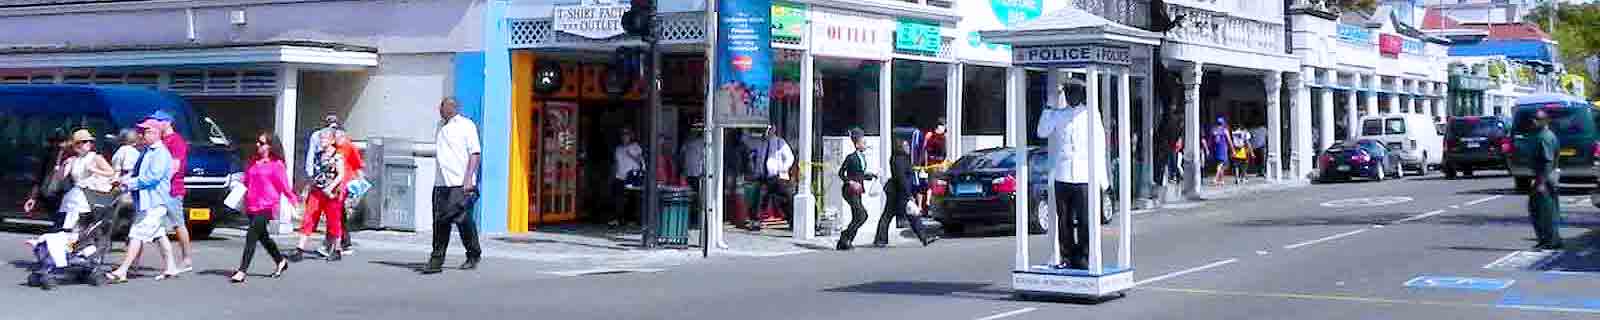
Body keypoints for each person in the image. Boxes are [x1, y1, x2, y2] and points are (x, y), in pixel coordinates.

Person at [1036, 80, 1110, 270]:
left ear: (1082, 94)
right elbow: (1042, 131)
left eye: (1075, 92)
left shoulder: (1091, 115)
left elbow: (1100, 146)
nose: (1072, 96)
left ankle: (1084, 256)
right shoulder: (1059, 115)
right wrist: (1049, 107)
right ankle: (1067, 256)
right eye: (1068, 92)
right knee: (1064, 221)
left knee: (1085, 220)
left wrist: (1102, 177)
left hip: (1084, 176)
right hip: (1063, 175)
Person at [106, 122, 181, 283]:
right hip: (146, 201)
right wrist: (122, 180)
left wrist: (128, 183)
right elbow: (137, 172)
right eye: (143, 131)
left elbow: (152, 177)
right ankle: (171, 267)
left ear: (156, 134)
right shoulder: (147, 151)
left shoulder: (160, 153)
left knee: (136, 234)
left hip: (154, 201)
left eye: (147, 131)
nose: (143, 134)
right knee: (159, 235)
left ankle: (122, 270)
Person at [422, 97, 483, 274]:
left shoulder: (466, 125)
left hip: (460, 182)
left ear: (453, 108)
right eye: (440, 107)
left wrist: (468, 179)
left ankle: (473, 253)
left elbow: (475, 153)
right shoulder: (439, 126)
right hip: (441, 183)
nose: (440, 110)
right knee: (440, 221)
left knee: (462, 220)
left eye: (444, 107)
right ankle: (436, 260)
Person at [231, 132, 298, 283]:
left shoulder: (276, 165)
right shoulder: (253, 161)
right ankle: (281, 261)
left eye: (261, 143)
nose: (258, 145)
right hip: (252, 204)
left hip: (267, 205)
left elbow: (285, 187)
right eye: (258, 142)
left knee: (251, 236)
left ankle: (242, 270)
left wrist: (294, 202)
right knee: (264, 237)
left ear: (270, 146)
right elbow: (246, 181)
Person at [144, 111, 194, 273]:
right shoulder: (161, 141)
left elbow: (174, 167)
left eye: (158, 121)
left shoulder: (176, 141)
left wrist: (159, 182)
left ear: (167, 122)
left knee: (178, 224)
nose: (156, 123)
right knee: (152, 224)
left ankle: (186, 259)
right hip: (160, 190)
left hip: (172, 190)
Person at [291, 131, 349, 262]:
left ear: (332, 140)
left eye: (325, 138)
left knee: (333, 221)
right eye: (321, 138)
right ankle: (299, 248)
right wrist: (307, 186)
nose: (322, 141)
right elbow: (314, 173)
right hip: (317, 191)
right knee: (309, 217)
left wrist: (331, 187)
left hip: (331, 193)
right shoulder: (318, 155)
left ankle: (337, 249)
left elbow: (341, 174)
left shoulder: (337, 156)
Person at [873, 140, 936, 247]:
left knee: (902, 215)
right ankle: (923, 237)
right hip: (899, 192)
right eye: (906, 145)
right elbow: (902, 178)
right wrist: (909, 195)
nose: (908, 147)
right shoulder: (899, 159)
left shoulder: (901, 158)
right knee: (898, 215)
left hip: (899, 192)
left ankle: (881, 239)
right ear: (900, 147)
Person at [57, 129, 117, 232]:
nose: (88, 143)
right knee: (74, 223)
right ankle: (72, 242)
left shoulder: (95, 157)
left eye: (89, 141)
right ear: (76, 145)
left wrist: (94, 170)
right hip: (78, 194)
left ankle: (78, 241)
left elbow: (111, 172)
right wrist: (61, 165)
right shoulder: (72, 160)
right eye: (84, 141)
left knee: (87, 225)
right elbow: (61, 177)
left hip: (93, 194)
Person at [1526, 109, 1563, 250]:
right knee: (1546, 209)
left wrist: (1540, 183)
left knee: (1543, 211)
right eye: (1534, 119)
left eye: (1537, 119)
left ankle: (1550, 240)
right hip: (1546, 177)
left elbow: (1547, 161)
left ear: (1545, 121)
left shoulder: (1544, 137)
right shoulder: (1545, 135)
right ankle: (1550, 239)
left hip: (1544, 178)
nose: (1534, 121)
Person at [747, 127, 794, 231]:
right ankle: (756, 221)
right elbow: (758, 158)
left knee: (785, 199)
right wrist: (756, 170)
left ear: (774, 130)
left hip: (777, 177)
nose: (766, 132)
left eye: (768, 130)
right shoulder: (760, 143)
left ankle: (792, 221)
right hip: (763, 176)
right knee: (759, 199)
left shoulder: (780, 142)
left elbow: (790, 158)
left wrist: (782, 169)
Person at [835, 128, 875, 251]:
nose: (865, 145)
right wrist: (850, 182)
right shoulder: (851, 157)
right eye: (863, 142)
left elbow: (860, 174)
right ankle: (845, 236)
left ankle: (847, 241)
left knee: (857, 216)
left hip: (859, 190)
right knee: (862, 215)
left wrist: (871, 175)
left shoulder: (862, 157)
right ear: (857, 144)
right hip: (849, 190)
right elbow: (841, 173)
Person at [23, 131, 70, 229]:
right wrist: (33, 197)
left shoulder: (71, 155)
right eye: (57, 142)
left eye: (62, 142)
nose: (60, 145)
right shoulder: (49, 155)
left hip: (64, 193)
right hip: (51, 193)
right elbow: (39, 176)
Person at [611, 128, 644, 227]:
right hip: (620, 176)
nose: (625, 137)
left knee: (632, 199)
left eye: (627, 135)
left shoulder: (635, 146)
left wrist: (631, 154)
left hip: (632, 176)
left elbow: (640, 161)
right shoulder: (618, 148)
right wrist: (613, 174)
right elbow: (616, 162)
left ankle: (632, 220)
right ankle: (618, 219)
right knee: (619, 199)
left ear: (630, 136)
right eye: (623, 135)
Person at [681, 128, 706, 227]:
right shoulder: (703, 144)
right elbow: (704, 158)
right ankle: (696, 220)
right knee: (698, 198)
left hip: (688, 173)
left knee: (689, 197)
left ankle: (690, 218)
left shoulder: (687, 143)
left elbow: (682, 156)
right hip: (698, 174)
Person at [1209, 117, 1231, 186]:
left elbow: (1211, 141)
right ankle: (1215, 178)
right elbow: (1229, 140)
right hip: (1223, 149)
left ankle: (1221, 180)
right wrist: (1232, 149)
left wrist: (1210, 149)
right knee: (1221, 164)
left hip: (1216, 149)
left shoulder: (1213, 130)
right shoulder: (1224, 130)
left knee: (1220, 164)